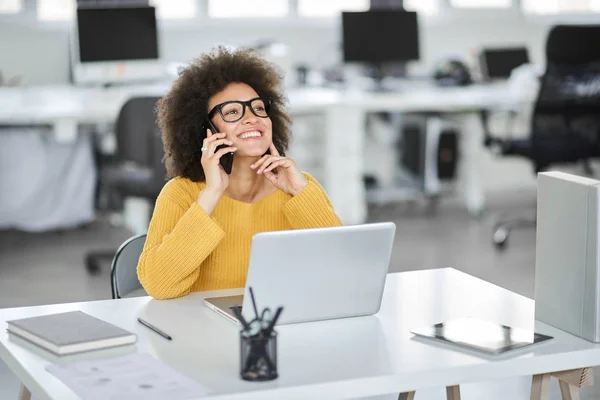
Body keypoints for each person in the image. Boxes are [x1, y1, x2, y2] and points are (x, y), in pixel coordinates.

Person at [137, 47, 343, 300]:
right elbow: (159, 285)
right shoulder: (181, 193)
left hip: (285, 327)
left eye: (258, 108)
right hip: (205, 332)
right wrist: (211, 195)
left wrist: (300, 193)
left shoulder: (300, 186)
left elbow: (344, 270)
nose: (252, 119)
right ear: (206, 130)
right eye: (233, 112)